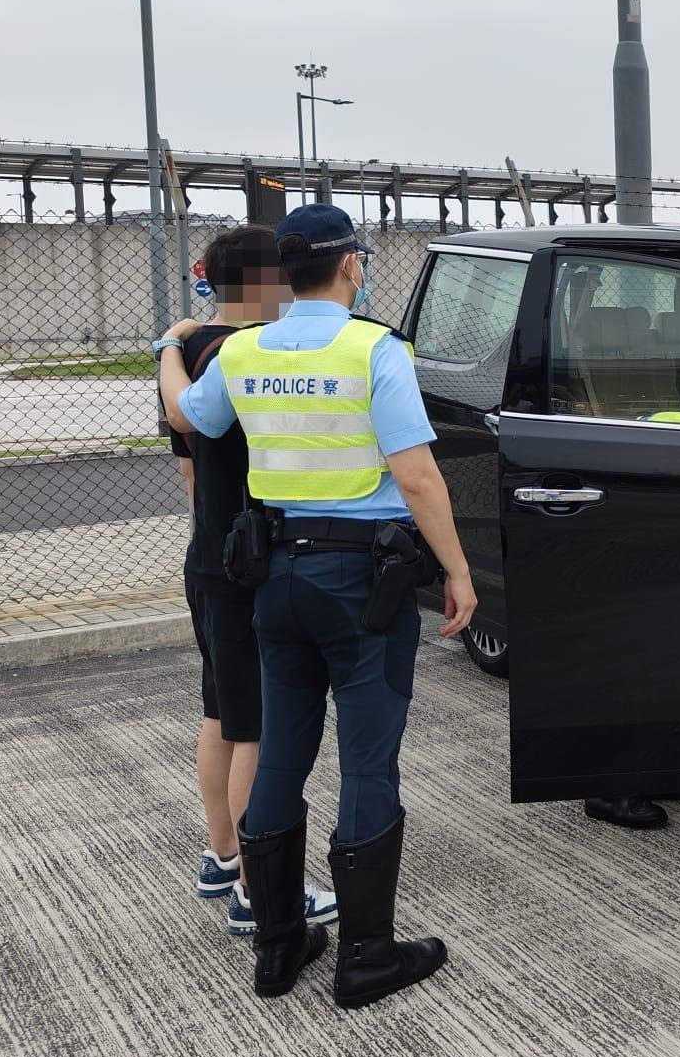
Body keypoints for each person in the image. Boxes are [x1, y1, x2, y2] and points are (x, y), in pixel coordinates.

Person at [159, 204, 477, 1009]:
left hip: (275, 582)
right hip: (362, 585)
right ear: (351, 266)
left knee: (284, 752)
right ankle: (366, 955)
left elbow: (191, 420)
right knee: (368, 760)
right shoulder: (375, 347)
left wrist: (169, 348)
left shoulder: (240, 351)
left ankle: (277, 947)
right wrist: (459, 573)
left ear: (284, 276)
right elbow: (417, 477)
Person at [163, 226, 336, 937]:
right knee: (259, 726)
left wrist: (169, 346)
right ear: (267, 279)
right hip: (252, 561)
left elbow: (188, 461)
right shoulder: (253, 351)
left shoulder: (193, 350)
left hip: (209, 554)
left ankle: (223, 855)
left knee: (222, 713)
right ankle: (258, 893)